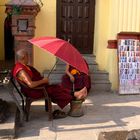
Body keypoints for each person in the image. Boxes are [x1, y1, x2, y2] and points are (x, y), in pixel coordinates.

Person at [12, 49, 87, 118]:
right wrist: (43, 81)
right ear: (23, 57)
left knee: (56, 87)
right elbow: (31, 84)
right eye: (28, 56)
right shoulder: (21, 70)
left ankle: (75, 94)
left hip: (36, 88)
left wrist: (41, 79)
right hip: (33, 91)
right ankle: (75, 95)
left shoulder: (23, 66)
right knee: (56, 89)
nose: (29, 58)